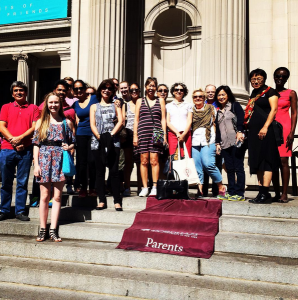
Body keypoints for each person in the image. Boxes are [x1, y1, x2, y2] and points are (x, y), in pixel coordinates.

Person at [33, 93, 75, 242]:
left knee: (57, 197)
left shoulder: (66, 122)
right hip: (44, 160)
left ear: (60, 104)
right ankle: (42, 228)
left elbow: (73, 142)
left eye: (56, 102)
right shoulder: (40, 122)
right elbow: (36, 145)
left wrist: (68, 146)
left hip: (59, 160)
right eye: (50, 102)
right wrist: (36, 165)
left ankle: (53, 230)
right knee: (44, 196)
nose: (53, 105)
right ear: (46, 104)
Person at [0, 81, 39, 221]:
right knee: (6, 182)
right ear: (12, 93)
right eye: (16, 90)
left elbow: (34, 127)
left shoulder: (34, 108)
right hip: (7, 149)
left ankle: (20, 211)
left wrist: (20, 139)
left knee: (22, 182)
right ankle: (4, 209)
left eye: (21, 90)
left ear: (26, 92)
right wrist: (13, 140)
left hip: (26, 150)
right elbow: (2, 126)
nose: (18, 92)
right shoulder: (6, 107)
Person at [245, 68, 280, 204]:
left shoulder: (271, 91)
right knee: (258, 161)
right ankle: (261, 193)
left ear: (264, 79)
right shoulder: (254, 93)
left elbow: (274, 110)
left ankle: (265, 193)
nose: (256, 81)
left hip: (266, 131)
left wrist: (265, 127)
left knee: (267, 160)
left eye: (258, 79)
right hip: (254, 133)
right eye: (253, 79)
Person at [90, 79, 123, 211]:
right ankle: (101, 200)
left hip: (113, 141)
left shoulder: (116, 105)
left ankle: (117, 200)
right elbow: (92, 124)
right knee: (100, 172)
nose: (107, 90)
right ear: (100, 90)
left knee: (114, 171)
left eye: (109, 88)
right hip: (97, 142)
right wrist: (99, 137)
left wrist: (110, 135)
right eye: (104, 88)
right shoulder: (94, 106)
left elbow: (120, 121)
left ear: (113, 91)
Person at [133, 77, 167, 197]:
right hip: (142, 131)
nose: (151, 88)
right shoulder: (139, 101)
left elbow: (163, 119)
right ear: (145, 87)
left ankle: (155, 186)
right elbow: (136, 120)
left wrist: (164, 135)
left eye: (153, 86)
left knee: (154, 161)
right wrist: (135, 136)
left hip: (157, 131)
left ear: (156, 88)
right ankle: (145, 187)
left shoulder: (161, 101)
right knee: (144, 161)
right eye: (149, 86)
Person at [191, 89, 226, 198]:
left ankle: (220, 186)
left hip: (209, 140)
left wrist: (217, 142)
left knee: (208, 164)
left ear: (204, 98)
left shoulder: (211, 109)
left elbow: (217, 125)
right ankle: (200, 189)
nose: (198, 98)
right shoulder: (191, 110)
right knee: (197, 167)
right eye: (195, 97)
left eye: (200, 96)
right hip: (195, 141)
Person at [215, 85, 245, 201]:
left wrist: (240, 132)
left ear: (228, 95)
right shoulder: (218, 112)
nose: (221, 97)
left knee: (238, 168)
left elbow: (241, 119)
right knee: (229, 168)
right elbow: (217, 129)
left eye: (223, 94)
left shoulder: (235, 106)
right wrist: (218, 143)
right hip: (224, 144)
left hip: (236, 141)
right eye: (219, 95)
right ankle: (231, 192)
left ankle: (240, 193)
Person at [272, 67, 297, 203]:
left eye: (283, 76)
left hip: (285, 128)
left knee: (283, 161)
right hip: (271, 129)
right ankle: (276, 192)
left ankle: (285, 193)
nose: (280, 78)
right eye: (278, 76)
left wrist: (292, 132)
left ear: (287, 78)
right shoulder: (269, 92)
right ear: (274, 76)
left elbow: (294, 113)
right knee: (273, 162)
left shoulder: (291, 93)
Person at [72, 79, 98, 198]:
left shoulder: (93, 99)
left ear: (85, 89)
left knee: (92, 161)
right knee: (82, 163)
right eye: (76, 89)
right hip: (81, 134)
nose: (79, 91)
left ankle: (92, 187)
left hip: (93, 133)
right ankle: (82, 188)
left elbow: (107, 100)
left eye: (81, 88)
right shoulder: (75, 104)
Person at [122, 82, 142, 196]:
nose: (134, 92)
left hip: (141, 134)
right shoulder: (125, 105)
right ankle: (127, 187)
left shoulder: (143, 103)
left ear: (139, 91)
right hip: (129, 134)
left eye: (136, 90)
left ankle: (140, 187)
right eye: (132, 90)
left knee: (141, 163)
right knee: (128, 163)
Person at [202, 84, 222, 196]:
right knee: (204, 165)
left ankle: (216, 190)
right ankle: (204, 190)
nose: (210, 94)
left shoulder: (220, 105)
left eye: (213, 92)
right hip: (203, 139)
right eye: (208, 91)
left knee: (216, 165)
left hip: (217, 139)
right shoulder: (200, 104)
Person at [166, 82, 192, 159]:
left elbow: (189, 121)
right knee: (174, 157)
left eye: (181, 90)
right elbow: (168, 122)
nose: (179, 91)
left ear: (184, 92)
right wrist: (177, 133)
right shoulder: (168, 106)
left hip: (186, 134)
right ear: (173, 92)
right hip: (173, 134)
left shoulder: (188, 105)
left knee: (186, 157)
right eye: (176, 89)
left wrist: (183, 134)